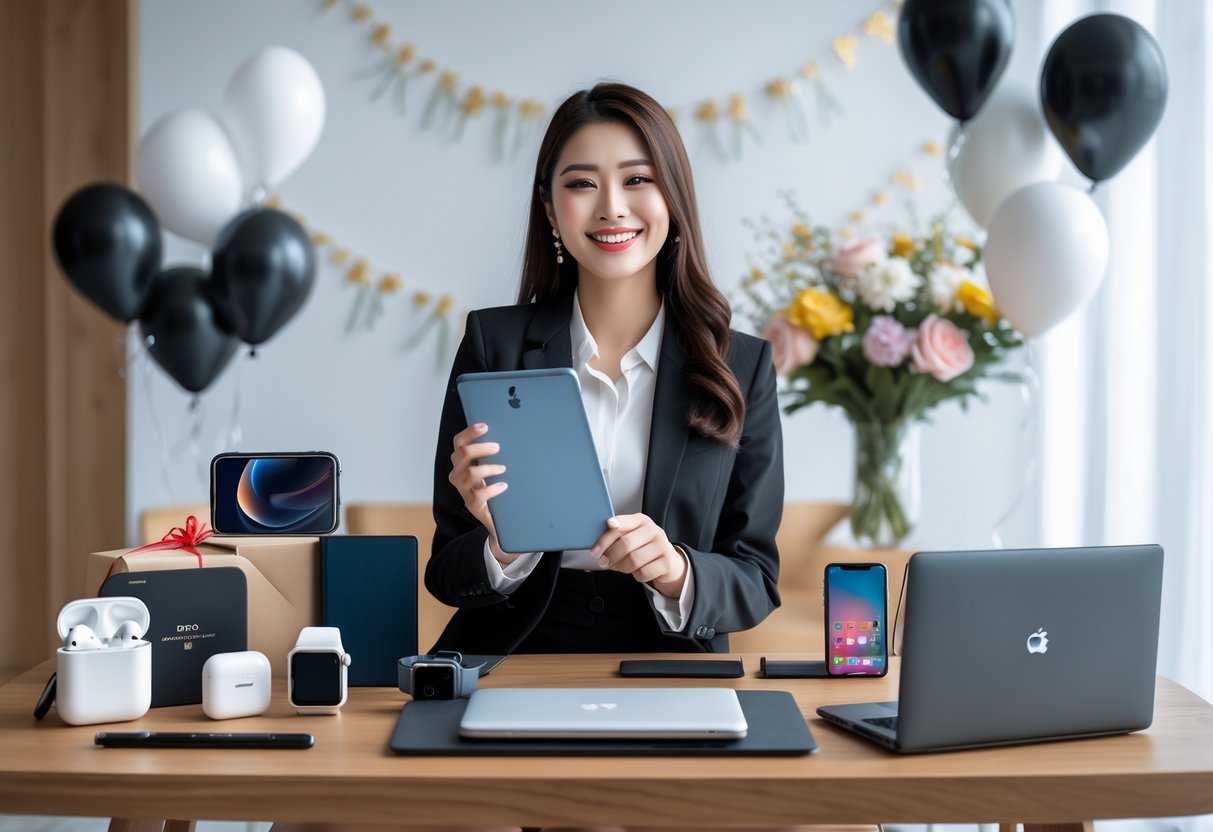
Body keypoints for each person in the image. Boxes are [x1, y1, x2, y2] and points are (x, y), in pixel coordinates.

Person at [428, 82, 784, 656]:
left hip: (671, 662)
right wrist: (501, 545)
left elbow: (756, 580)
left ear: (673, 197)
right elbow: (447, 572)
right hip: (514, 653)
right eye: (581, 184)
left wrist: (676, 571)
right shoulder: (492, 344)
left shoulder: (739, 364)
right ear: (550, 207)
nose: (612, 206)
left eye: (637, 179)